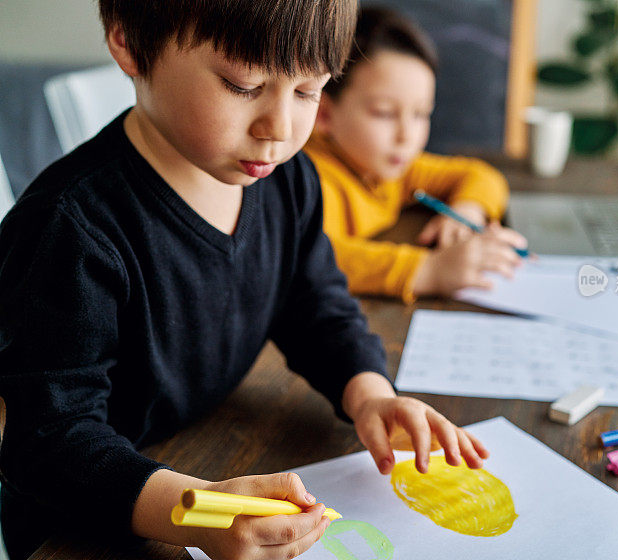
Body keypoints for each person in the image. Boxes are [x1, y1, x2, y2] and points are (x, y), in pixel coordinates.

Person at [0, 2, 488, 559]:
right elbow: (48, 440)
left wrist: (370, 393)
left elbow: (315, 302)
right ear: (129, 44)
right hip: (83, 520)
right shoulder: (68, 229)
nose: (279, 129)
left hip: (202, 452)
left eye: (309, 91)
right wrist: (194, 510)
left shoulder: (287, 181)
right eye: (241, 84)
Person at [304, 7, 529, 304]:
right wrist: (431, 270)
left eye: (421, 114)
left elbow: (480, 174)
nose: (407, 136)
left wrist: (467, 211)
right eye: (384, 114)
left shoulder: (389, 165)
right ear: (324, 114)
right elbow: (317, 256)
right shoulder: (310, 178)